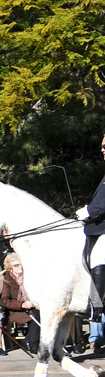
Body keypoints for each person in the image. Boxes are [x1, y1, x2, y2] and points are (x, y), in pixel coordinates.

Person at [77, 133, 105, 332]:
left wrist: (89, 211)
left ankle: (94, 306)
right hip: (96, 227)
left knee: (99, 256)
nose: (102, 149)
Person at [0, 253, 40, 354]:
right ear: (10, 268)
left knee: (41, 313)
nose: (20, 267)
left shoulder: (29, 276)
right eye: (16, 265)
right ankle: (33, 344)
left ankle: (28, 340)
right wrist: (22, 304)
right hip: (16, 308)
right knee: (36, 317)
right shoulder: (6, 280)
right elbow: (6, 301)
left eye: (21, 264)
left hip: (31, 304)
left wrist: (38, 303)